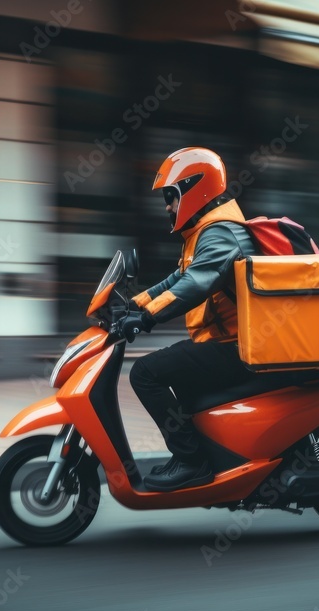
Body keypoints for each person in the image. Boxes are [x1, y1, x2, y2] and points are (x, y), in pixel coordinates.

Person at [118, 147, 260, 492]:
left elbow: (196, 285)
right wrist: (129, 304)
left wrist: (146, 318)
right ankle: (206, 455)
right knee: (179, 377)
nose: (168, 206)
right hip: (225, 343)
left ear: (196, 189)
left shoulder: (221, 232)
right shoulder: (206, 231)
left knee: (145, 373)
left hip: (236, 347)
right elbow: (178, 279)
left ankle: (192, 461)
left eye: (171, 196)